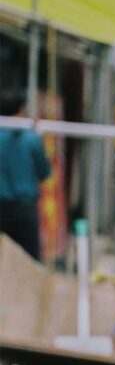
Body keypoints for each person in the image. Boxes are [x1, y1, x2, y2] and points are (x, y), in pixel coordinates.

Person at [0, 92, 51, 261]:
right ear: (21, 110)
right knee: (29, 261)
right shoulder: (31, 138)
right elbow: (44, 172)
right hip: (24, 208)